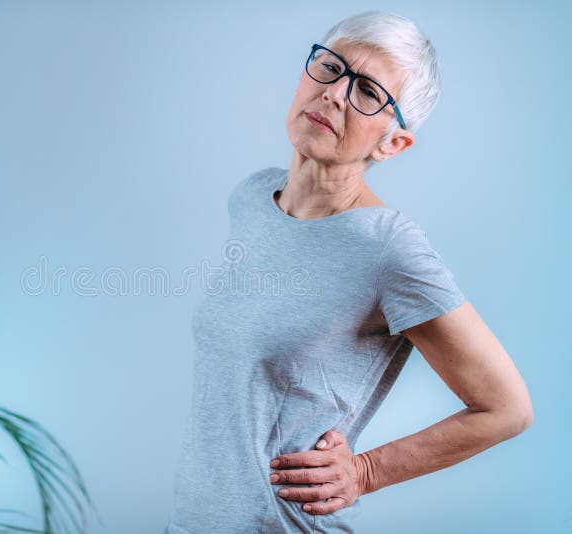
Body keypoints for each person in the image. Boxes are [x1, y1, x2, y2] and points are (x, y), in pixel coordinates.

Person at [164, 10, 533, 534]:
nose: (336, 93)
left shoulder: (389, 248)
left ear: (392, 143)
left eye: (367, 93)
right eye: (331, 68)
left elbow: (507, 408)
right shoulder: (251, 196)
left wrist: (366, 471)